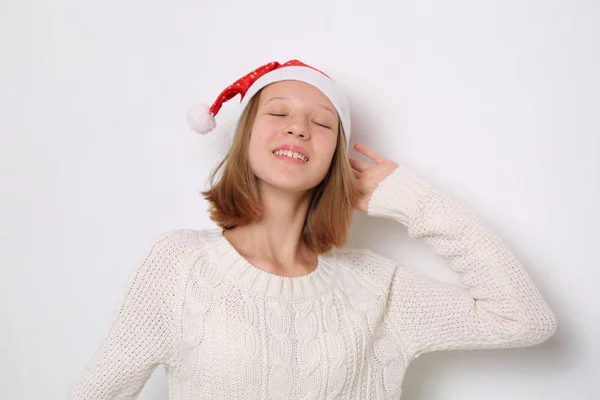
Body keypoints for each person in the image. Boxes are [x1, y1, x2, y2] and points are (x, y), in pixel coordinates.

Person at [69, 59, 557, 399]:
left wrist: (415, 203)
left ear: (335, 161)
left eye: (322, 124)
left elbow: (524, 319)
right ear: (244, 140)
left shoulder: (375, 288)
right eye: (278, 113)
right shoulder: (178, 265)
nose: (298, 128)